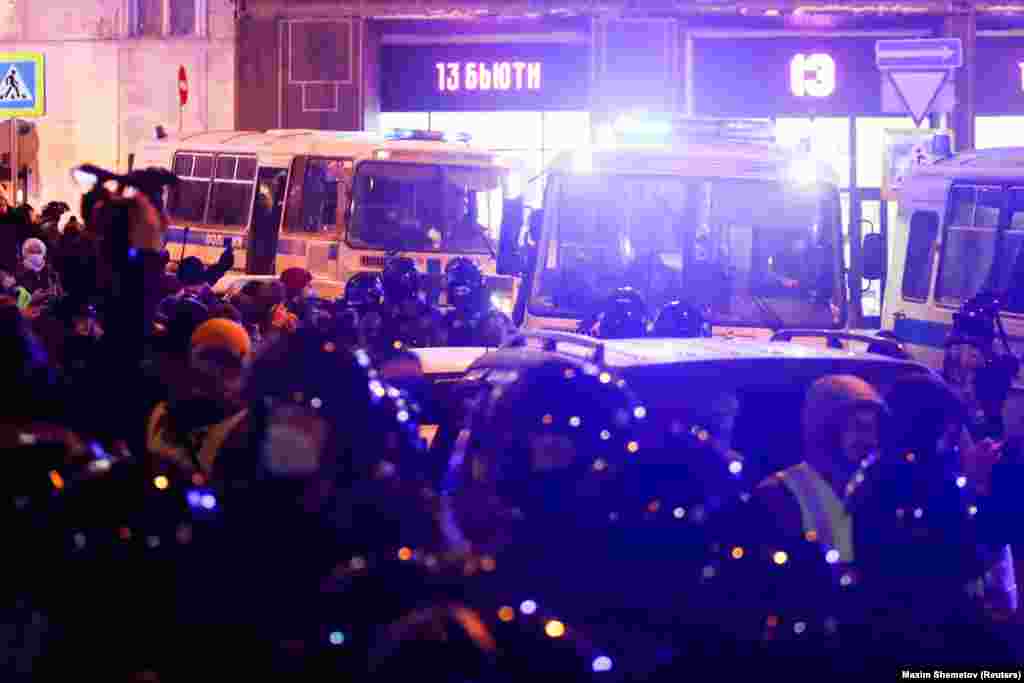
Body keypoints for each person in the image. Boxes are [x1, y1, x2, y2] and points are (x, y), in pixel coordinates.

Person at [146, 318, 252, 480]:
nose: (214, 369)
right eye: (208, 357)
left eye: (224, 361)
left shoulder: (161, 412)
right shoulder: (161, 412)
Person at [440, 257, 514, 347]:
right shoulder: (444, 321)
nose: (460, 294)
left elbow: (515, 349)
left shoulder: (497, 321)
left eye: (463, 290)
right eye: (456, 290)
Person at [577, 286, 649, 339]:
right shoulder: (597, 321)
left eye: (627, 306)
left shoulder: (643, 327)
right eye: (618, 305)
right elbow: (582, 333)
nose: (622, 308)